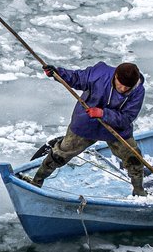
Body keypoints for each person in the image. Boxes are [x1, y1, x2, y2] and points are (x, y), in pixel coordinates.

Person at [22, 61, 146, 195]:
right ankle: (37, 181)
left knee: (134, 158)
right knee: (60, 154)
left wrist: (103, 114)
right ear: (115, 76)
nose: (122, 89)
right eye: (120, 85)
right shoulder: (99, 73)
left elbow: (127, 117)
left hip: (116, 128)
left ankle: (139, 191)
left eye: (127, 87)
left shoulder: (138, 90)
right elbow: (76, 78)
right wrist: (57, 74)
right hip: (86, 123)